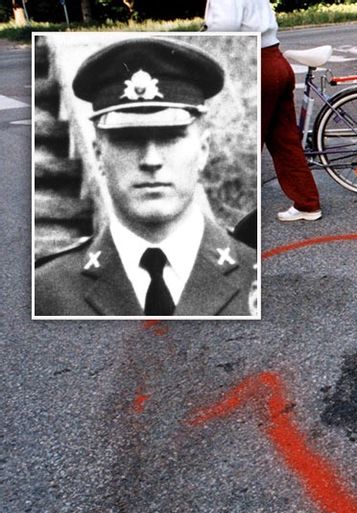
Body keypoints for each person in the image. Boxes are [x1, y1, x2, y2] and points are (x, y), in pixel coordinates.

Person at [34, 37, 258, 317]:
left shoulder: (258, 272)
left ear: (203, 150)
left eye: (170, 137)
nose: (151, 160)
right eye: (128, 139)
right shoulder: (45, 292)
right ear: (99, 154)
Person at [204, 0, 323, 222]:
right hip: (276, 60)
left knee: (244, 142)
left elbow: (226, 25)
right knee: (285, 140)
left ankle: (234, 216)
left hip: (256, 62)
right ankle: (307, 203)